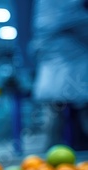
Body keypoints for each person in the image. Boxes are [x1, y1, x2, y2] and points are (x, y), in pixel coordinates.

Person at [32, 0, 88, 150]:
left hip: (56, 75)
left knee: (56, 119)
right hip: (72, 74)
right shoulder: (64, 11)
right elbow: (79, 24)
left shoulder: (44, 12)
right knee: (65, 119)